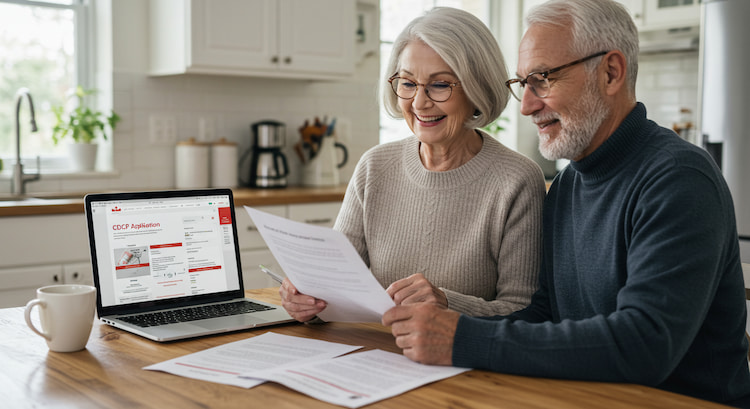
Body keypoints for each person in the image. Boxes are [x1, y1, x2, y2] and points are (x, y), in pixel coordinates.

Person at [381, 0, 750, 406]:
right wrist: (446, 322)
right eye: (523, 84)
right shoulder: (570, 182)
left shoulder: (678, 178)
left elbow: (644, 345)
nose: (526, 106)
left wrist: (462, 338)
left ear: (610, 72)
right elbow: (543, 314)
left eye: (542, 79)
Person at [279, 7, 546, 323]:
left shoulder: (516, 179)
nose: (419, 103)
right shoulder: (374, 166)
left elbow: (524, 314)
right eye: (407, 83)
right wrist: (308, 300)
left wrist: (446, 303)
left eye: (440, 84)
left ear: (477, 88)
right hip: (372, 354)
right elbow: (335, 284)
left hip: (459, 364)